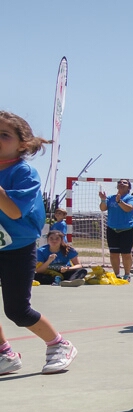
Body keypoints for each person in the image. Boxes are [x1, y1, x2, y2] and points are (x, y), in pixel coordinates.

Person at [0, 112, 78, 376]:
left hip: (17, 249)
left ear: (22, 144)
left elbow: (12, 211)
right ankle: (5, 354)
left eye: (4, 135)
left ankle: (59, 345)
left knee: (18, 312)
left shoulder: (23, 173)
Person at [99, 179, 133, 280]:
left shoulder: (131, 198)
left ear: (129, 187)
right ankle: (116, 275)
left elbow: (128, 208)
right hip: (112, 229)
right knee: (113, 253)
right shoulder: (111, 198)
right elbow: (103, 208)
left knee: (126, 253)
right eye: (119, 183)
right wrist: (103, 200)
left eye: (124, 183)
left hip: (127, 229)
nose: (121, 184)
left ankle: (127, 274)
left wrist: (119, 201)